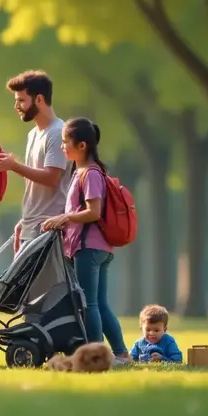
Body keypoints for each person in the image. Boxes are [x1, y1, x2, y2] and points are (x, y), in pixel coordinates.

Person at [41, 117, 130, 365]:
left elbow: (93, 212)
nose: (62, 147)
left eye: (65, 142)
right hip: (97, 247)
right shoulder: (82, 171)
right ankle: (120, 353)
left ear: (82, 146)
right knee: (99, 303)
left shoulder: (90, 173)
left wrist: (64, 218)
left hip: (89, 247)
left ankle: (96, 355)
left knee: (89, 304)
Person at [0, 71, 71, 252]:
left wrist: (14, 166)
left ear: (39, 99)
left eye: (21, 100)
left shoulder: (57, 133)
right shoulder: (33, 134)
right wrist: (25, 220)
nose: (17, 106)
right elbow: (35, 184)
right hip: (31, 227)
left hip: (49, 230)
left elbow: (51, 178)